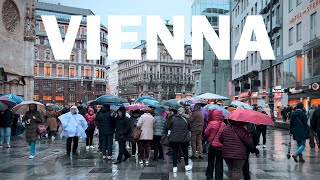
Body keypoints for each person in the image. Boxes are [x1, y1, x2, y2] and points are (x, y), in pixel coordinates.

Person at [168, 107, 192, 173]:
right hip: (184, 138)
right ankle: (186, 165)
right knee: (185, 152)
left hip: (174, 138)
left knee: (175, 152)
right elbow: (190, 128)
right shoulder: (186, 119)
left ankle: (174, 167)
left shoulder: (173, 119)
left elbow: (169, 127)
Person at [204, 110, 226, 180]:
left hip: (212, 145)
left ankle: (209, 175)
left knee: (211, 161)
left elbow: (206, 133)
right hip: (221, 146)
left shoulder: (211, 123)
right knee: (219, 162)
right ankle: (219, 177)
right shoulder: (223, 124)